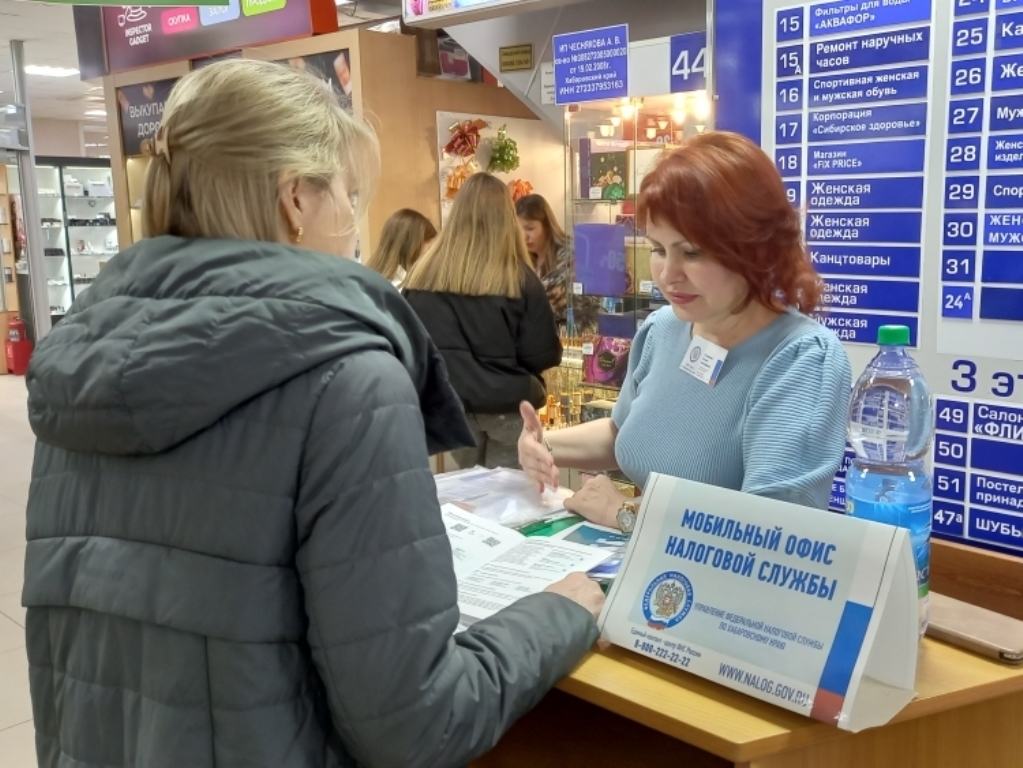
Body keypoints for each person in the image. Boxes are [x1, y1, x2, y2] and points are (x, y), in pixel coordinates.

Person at [22, 60, 603, 768]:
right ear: (295, 198)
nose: (355, 223)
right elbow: (415, 722)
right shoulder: (347, 378)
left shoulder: (81, 360)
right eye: (350, 195)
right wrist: (560, 612)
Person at [518, 131, 852, 530]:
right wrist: (545, 445)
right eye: (658, 249)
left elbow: (774, 532)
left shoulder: (801, 359)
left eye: (692, 252)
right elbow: (627, 431)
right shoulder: (665, 329)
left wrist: (627, 513)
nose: (667, 275)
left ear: (756, 248)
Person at [405, 174, 562, 470]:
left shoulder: (421, 276)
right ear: (506, 218)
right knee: (510, 502)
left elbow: (413, 348)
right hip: (508, 406)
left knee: (468, 497)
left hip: (450, 409)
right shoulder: (520, 278)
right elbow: (543, 353)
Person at [516, 193, 599, 336]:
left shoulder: (571, 253)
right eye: (519, 230)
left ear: (547, 225)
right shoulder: (525, 261)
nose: (524, 237)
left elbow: (548, 295)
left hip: (579, 340)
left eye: (530, 228)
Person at [364, 208, 437, 286]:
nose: (432, 257)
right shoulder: (401, 289)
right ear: (412, 247)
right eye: (429, 249)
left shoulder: (372, 278)